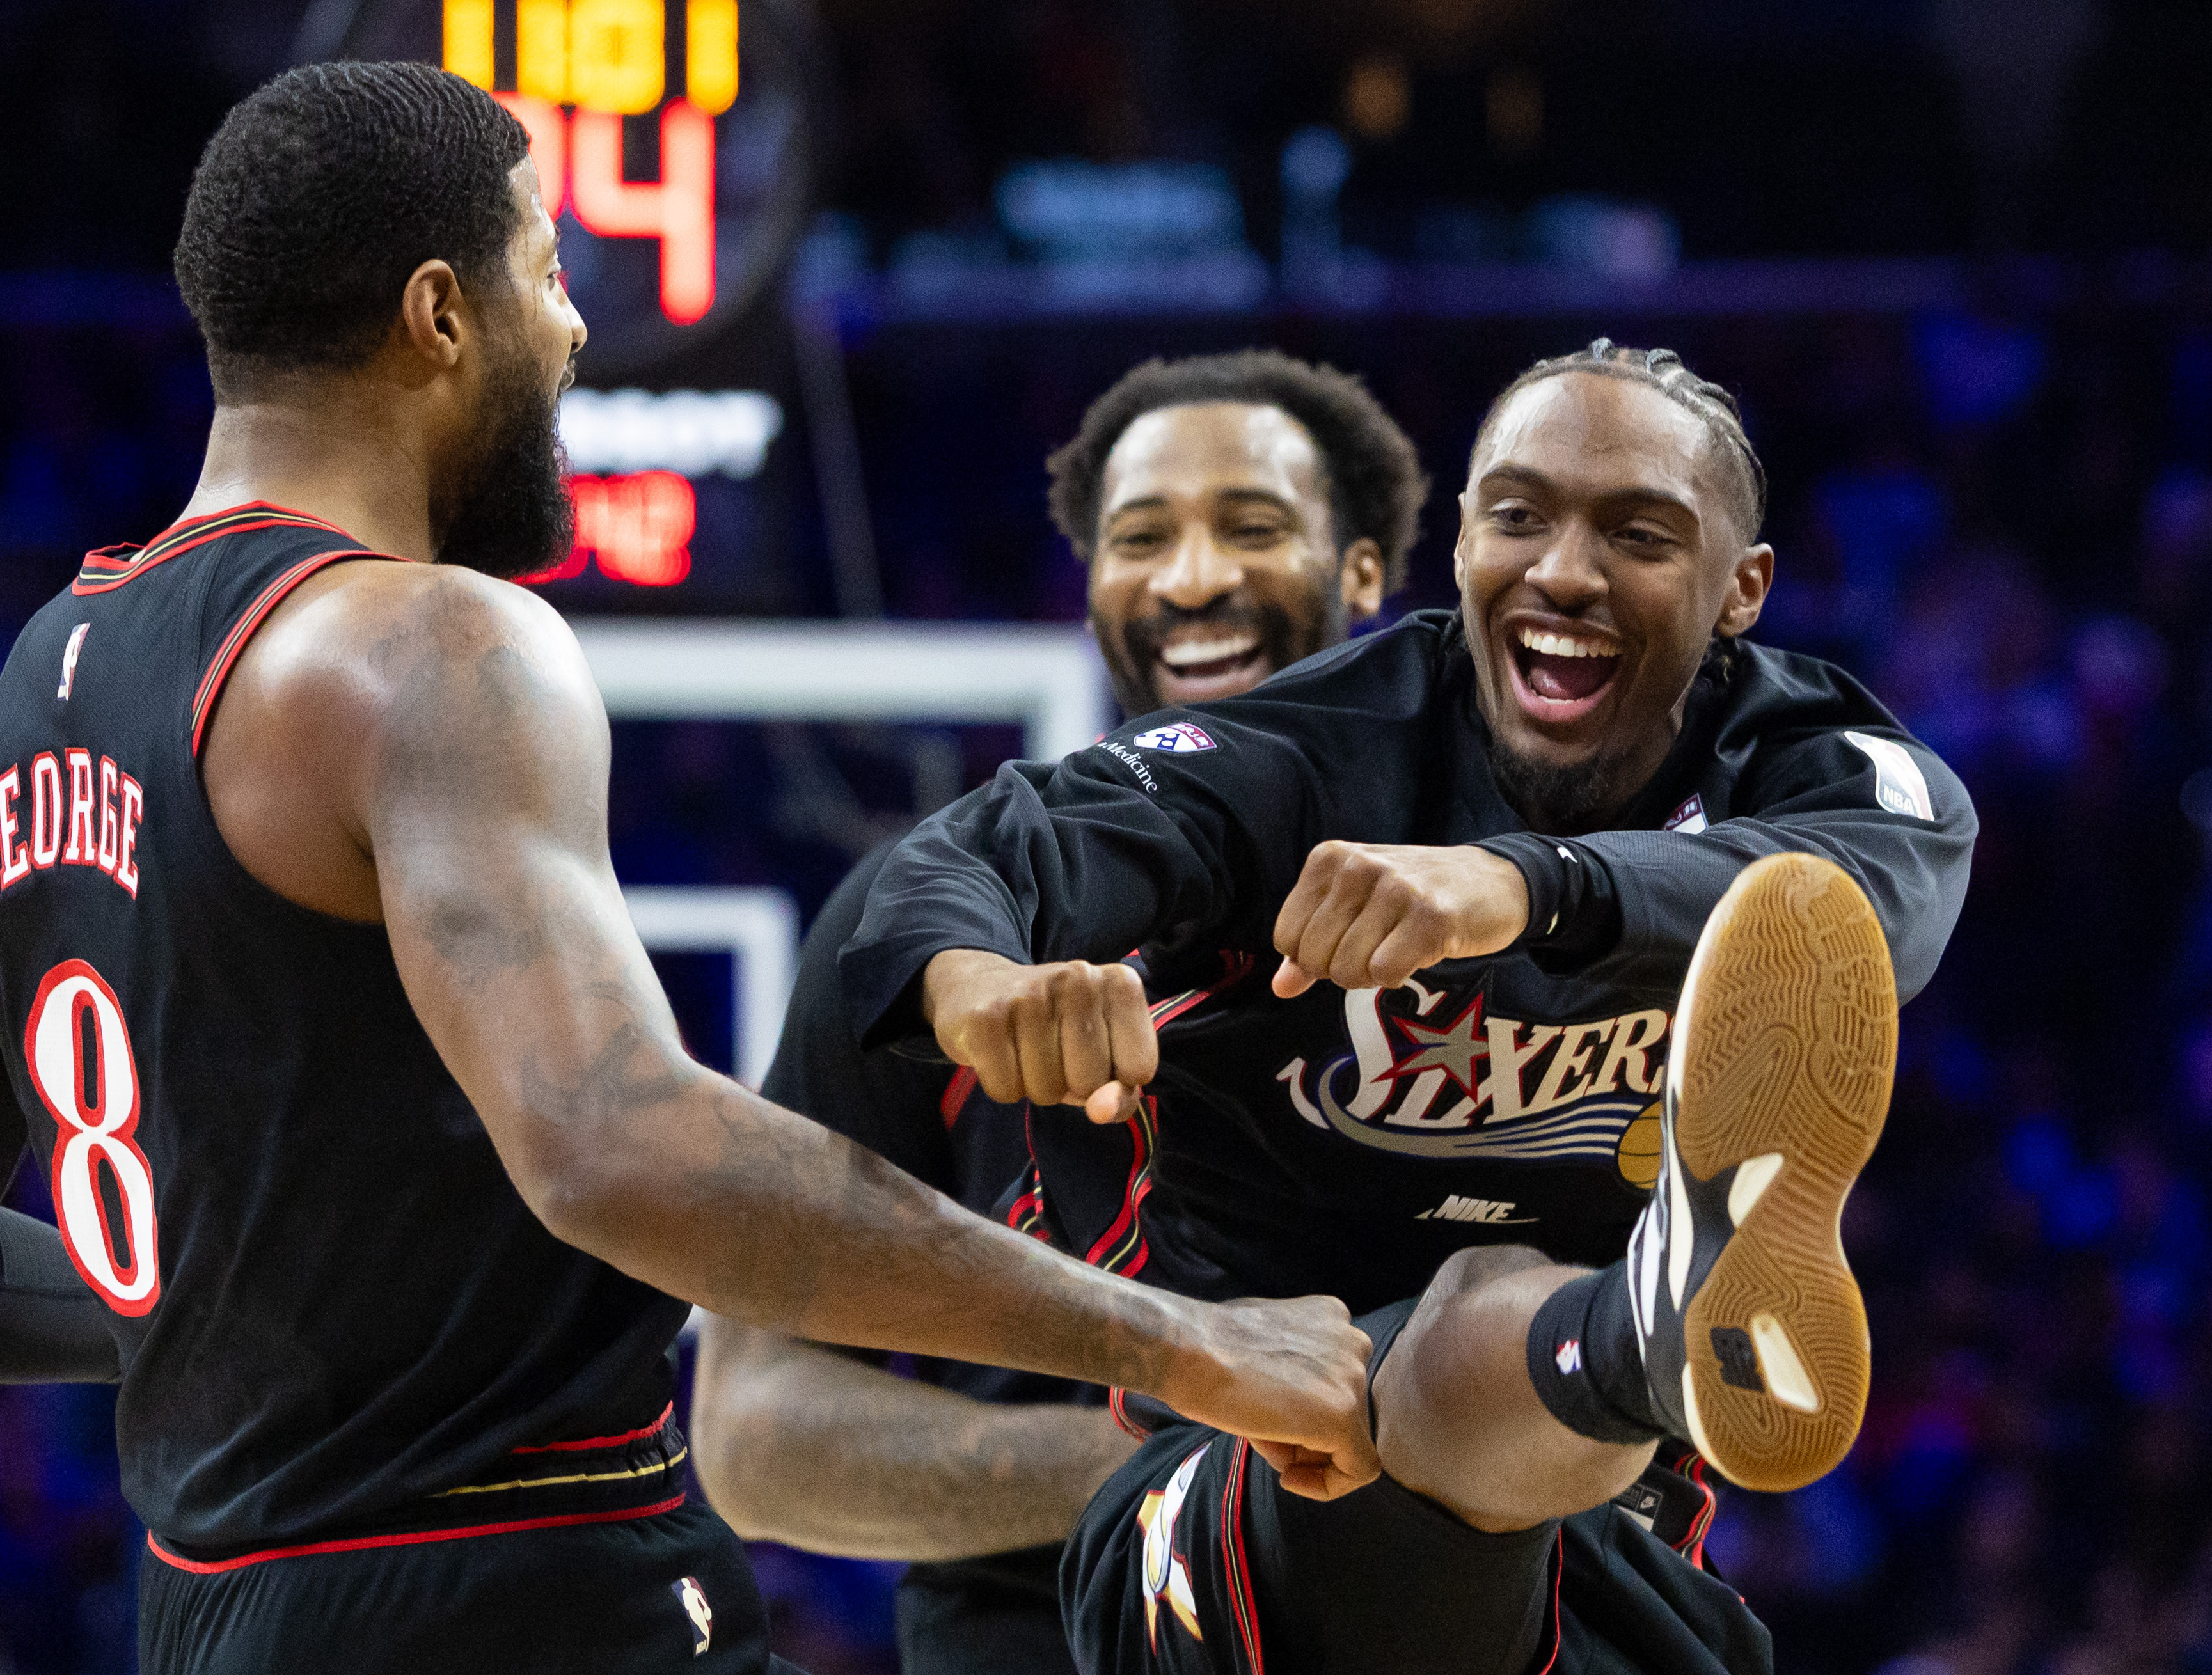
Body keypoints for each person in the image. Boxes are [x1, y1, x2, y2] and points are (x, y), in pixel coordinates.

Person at [0, 64, 1379, 1675]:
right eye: (548, 270)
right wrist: (1180, 1343)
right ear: (438, 312)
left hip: (211, 1610)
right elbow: (619, 1146)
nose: (572, 327)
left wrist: (186, 1299)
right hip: (522, 1590)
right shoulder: (424, 645)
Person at [836, 340, 1979, 1674]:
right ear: (1456, 549)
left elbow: (1873, 889)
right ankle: (1653, 1321)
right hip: (1226, 1497)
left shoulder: (1801, 763)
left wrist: (1521, 885)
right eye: (1517, 514)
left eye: (1635, 532)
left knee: (1513, 1360)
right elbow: (982, 846)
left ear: (1741, 591)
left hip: (1592, 1526)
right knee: (1465, 1312)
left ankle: (1651, 1328)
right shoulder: (1309, 755)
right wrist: (982, 986)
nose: (1560, 568)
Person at [691, 350, 1429, 1675]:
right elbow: (750, 1430)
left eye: (1250, 526)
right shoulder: (928, 918)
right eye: (1139, 537)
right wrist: (1204, 1428)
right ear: (1090, 587)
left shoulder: (1478, 900)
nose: (1191, 576)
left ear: (1363, 571)